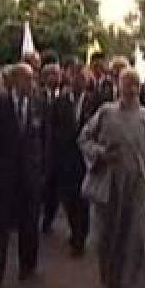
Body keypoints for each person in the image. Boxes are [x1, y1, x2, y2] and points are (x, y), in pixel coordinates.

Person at [78, 67, 145, 288]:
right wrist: (100, 153)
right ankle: (113, 287)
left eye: (135, 84)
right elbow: (84, 139)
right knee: (110, 238)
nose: (131, 89)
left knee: (137, 239)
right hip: (111, 187)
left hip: (141, 186)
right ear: (118, 86)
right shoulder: (105, 113)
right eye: (126, 83)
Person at [0, 63, 46, 288]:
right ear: (16, 81)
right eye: (27, 79)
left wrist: (42, 169)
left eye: (33, 80)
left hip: (30, 175)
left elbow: (44, 139)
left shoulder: (38, 105)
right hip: (3, 175)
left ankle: (28, 266)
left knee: (29, 223)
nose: (32, 84)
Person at [50, 58, 94, 256]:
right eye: (76, 77)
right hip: (65, 158)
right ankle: (75, 229)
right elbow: (52, 129)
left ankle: (80, 236)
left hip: (85, 159)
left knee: (83, 200)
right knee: (69, 198)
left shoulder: (95, 102)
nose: (79, 81)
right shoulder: (60, 103)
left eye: (83, 77)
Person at [39, 61, 64, 235]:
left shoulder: (64, 98)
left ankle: (49, 218)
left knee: (55, 189)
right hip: (41, 150)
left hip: (59, 151)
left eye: (58, 74)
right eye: (53, 74)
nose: (57, 77)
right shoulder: (38, 97)